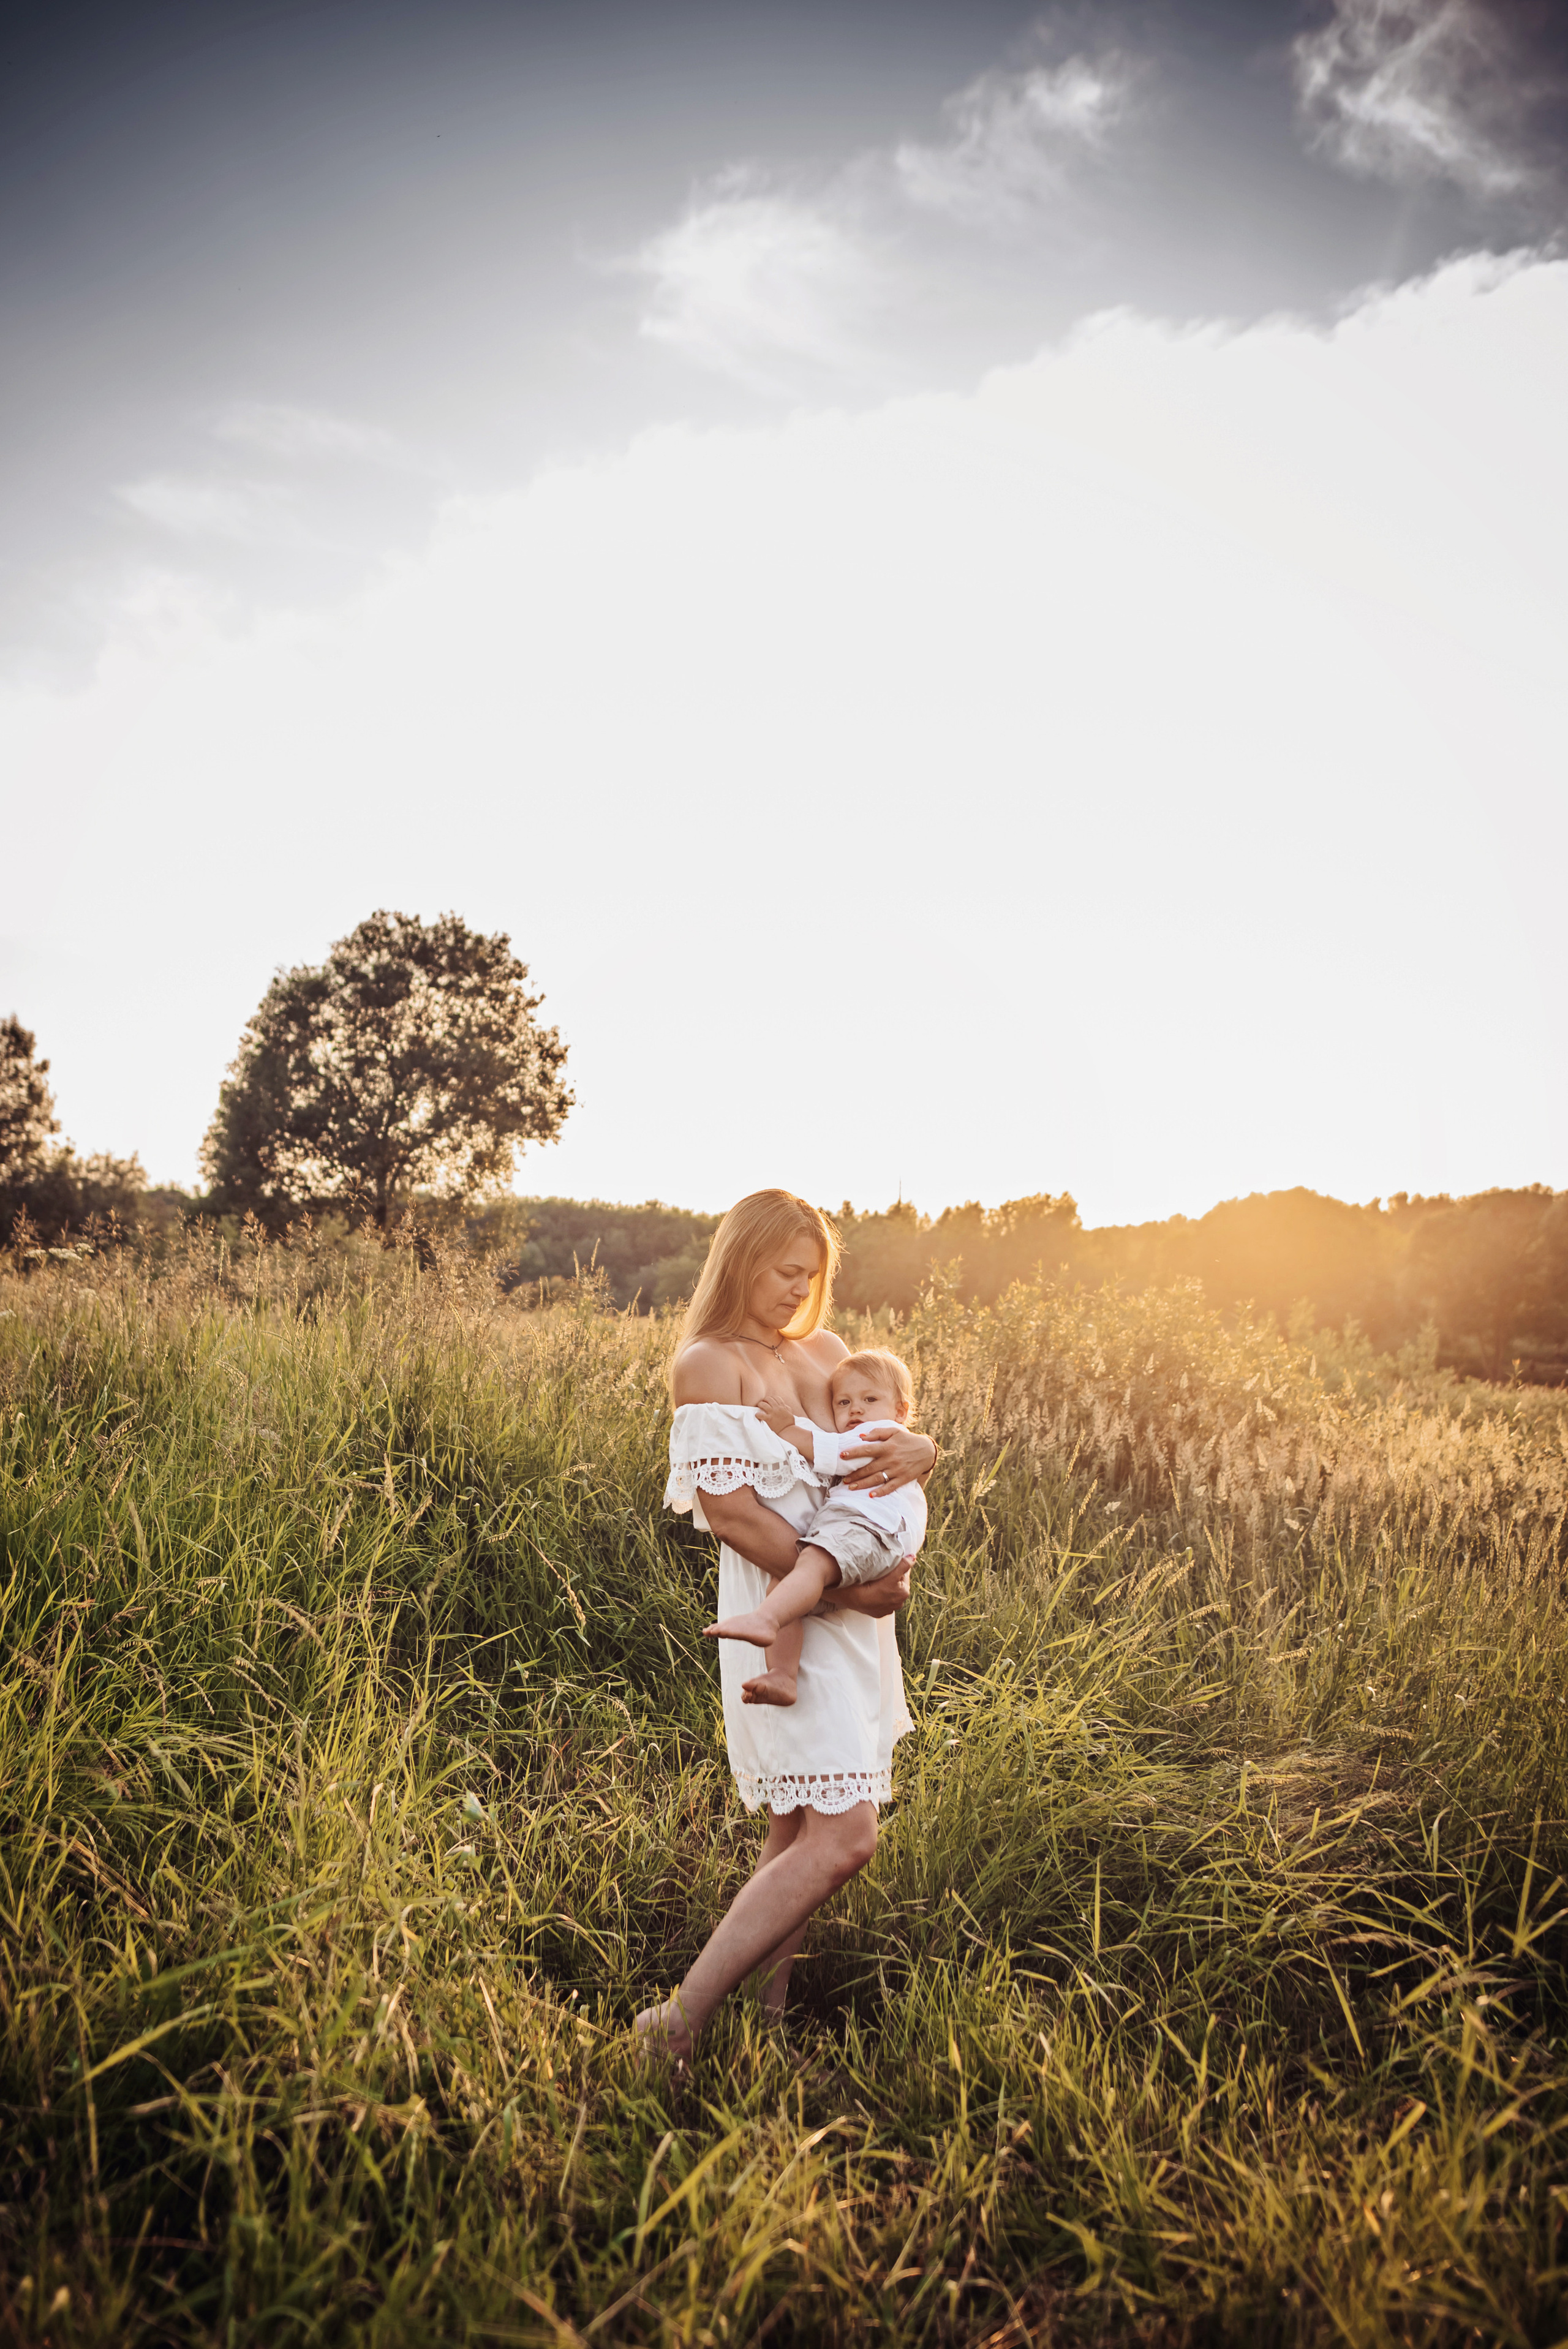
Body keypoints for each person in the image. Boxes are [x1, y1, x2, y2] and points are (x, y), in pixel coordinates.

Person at [637, 1190, 936, 2061]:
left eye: (813, 1273)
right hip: (784, 1607)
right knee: (847, 1834)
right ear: (741, 1259)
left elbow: (884, 1442)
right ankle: (679, 2019)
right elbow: (730, 1514)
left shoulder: (831, 1351)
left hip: (846, 1607)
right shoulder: (710, 1363)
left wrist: (925, 1450)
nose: (799, 1287)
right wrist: (843, 1591)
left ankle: (757, 2026)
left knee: (797, 1830)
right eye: (785, 1269)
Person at [703, 1347, 927, 1706]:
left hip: (869, 1530)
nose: (856, 1410)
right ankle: (782, 1675)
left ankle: (765, 1620)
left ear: (900, 1411)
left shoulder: (879, 1435)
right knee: (785, 1586)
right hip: (859, 1535)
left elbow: (830, 1450)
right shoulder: (883, 1435)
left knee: (810, 1564)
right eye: (843, 1403)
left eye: (870, 1399)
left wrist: (785, 1426)